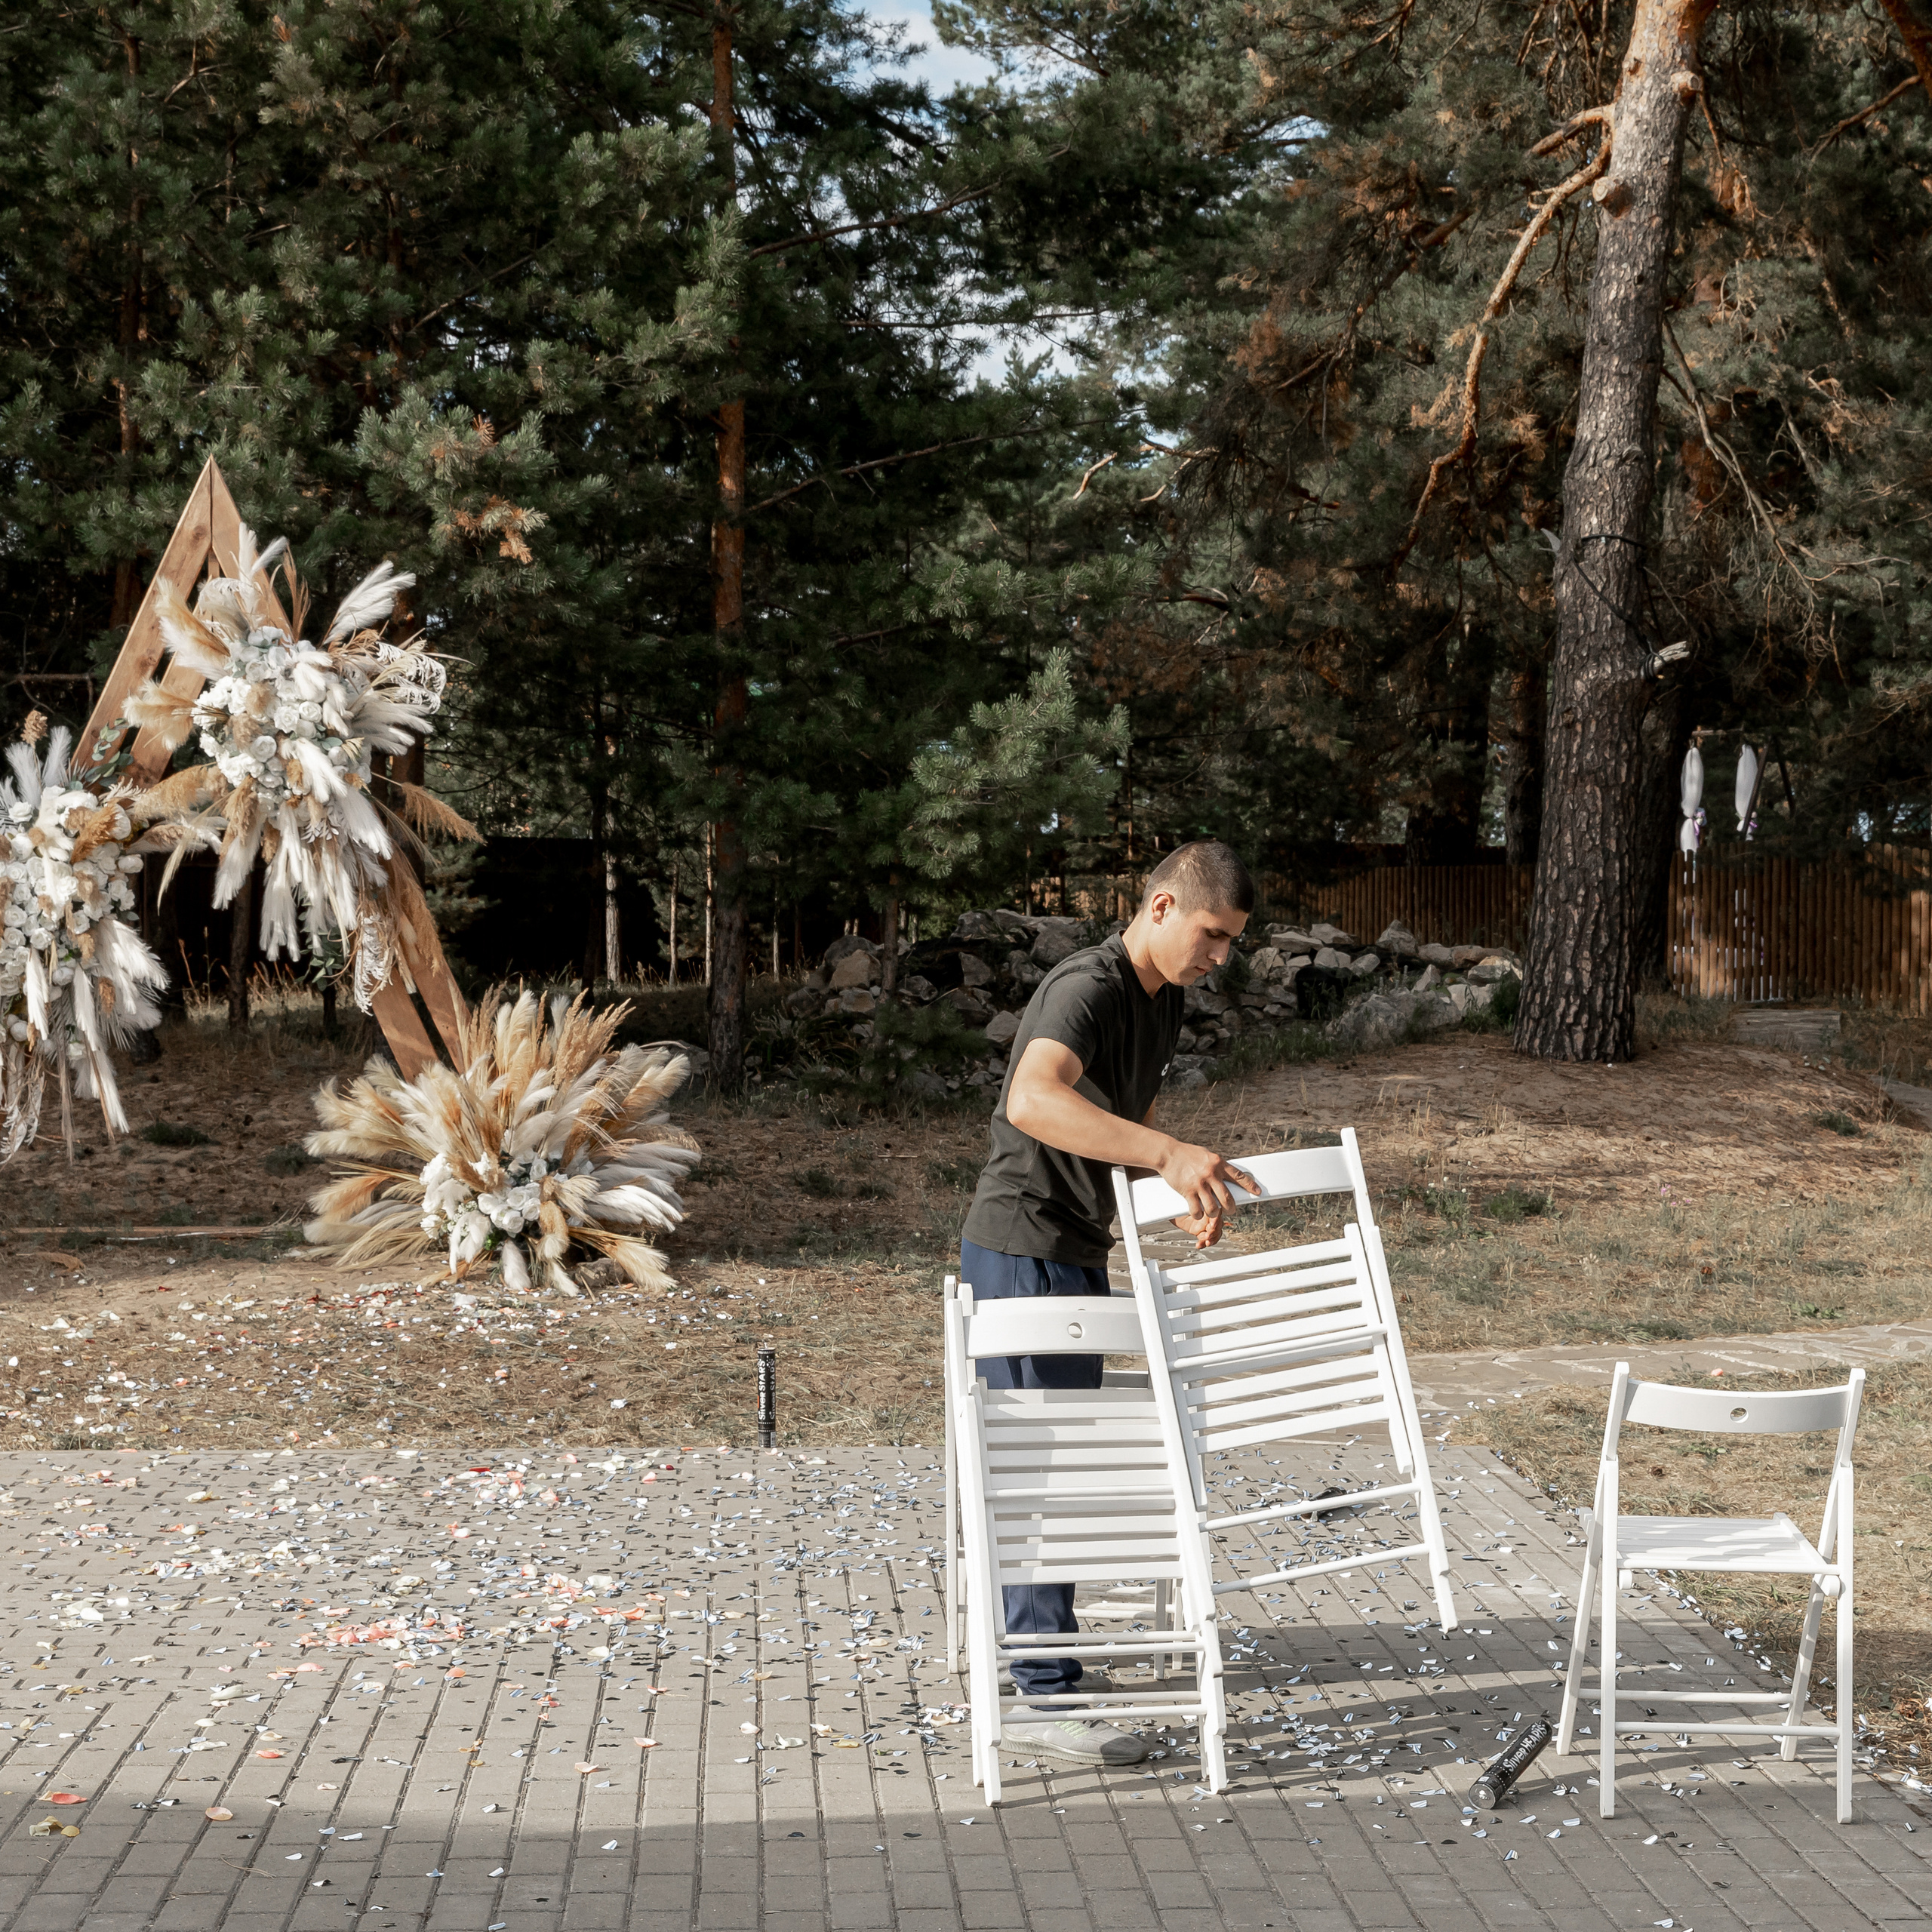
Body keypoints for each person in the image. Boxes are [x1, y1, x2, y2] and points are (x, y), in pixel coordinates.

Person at [958, 838, 1259, 1767]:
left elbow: (1110, 1130)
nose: (1219, 957)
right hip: (1020, 1249)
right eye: (1212, 934)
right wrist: (1167, 1154)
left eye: (1232, 944)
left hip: (1072, 1250)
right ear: (1162, 906)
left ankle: (1032, 1663)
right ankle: (1043, 1696)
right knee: (1042, 1478)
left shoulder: (1160, 1002)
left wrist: (1170, 1185)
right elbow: (1031, 1100)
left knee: (1062, 1471)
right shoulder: (1084, 985)